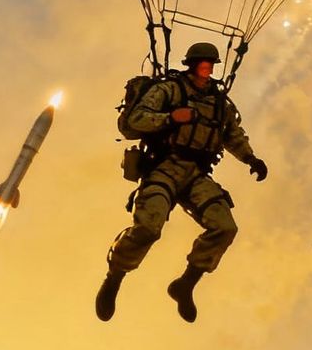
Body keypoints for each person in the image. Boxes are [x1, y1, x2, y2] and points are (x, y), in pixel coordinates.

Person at [95, 42, 267, 323]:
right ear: (191, 64)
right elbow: (134, 121)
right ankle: (115, 275)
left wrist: (251, 159)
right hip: (164, 167)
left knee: (225, 227)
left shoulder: (219, 103)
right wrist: (170, 118)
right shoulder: (169, 91)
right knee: (149, 227)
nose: (207, 69)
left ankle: (186, 283)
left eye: (211, 64)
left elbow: (232, 135)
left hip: (196, 174)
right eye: (203, 63)